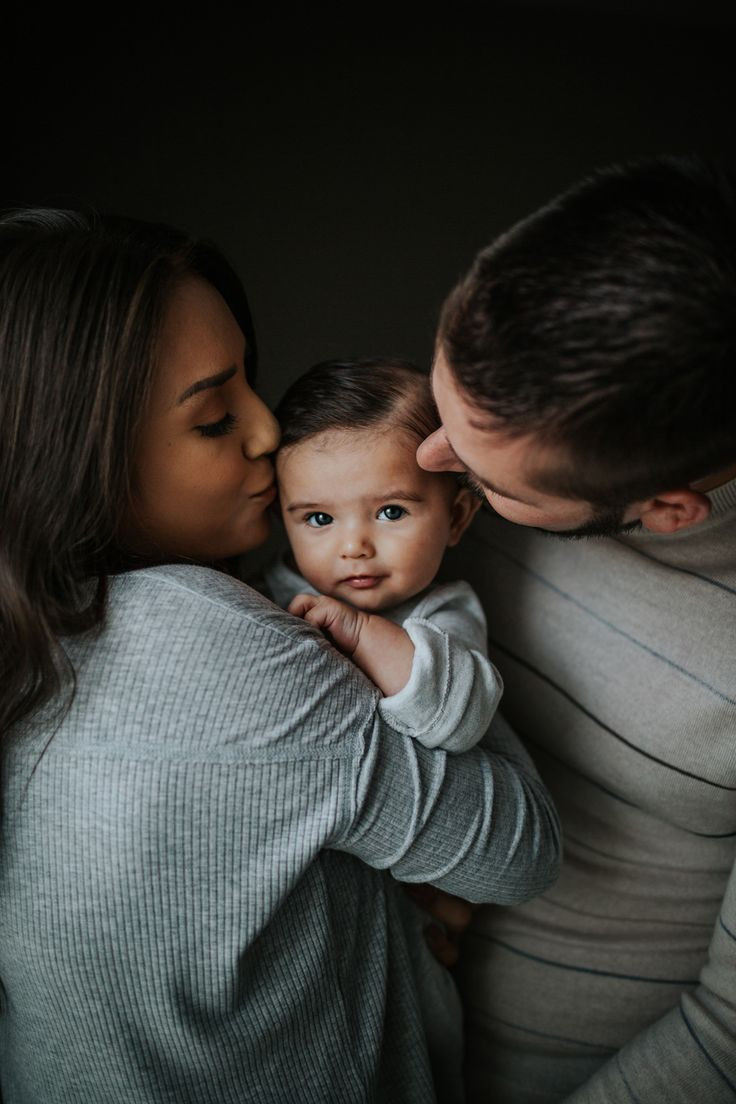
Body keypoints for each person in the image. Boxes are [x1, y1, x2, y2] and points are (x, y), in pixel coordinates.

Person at [0, 207, 561, 1104]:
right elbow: (518, 847)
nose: (272, 434)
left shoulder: (36, 631)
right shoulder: (198, 631)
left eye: (252, 385)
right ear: (76, 457)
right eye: (217, 418)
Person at [416, 154, 736, 1102]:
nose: (428, 460)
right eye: (444, 412)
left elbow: (729, 1037)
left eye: (490, 484)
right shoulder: (492, 416)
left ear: (666, 510)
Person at [265, 357, 506, 1102]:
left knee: (416, 1045)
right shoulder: (272, 592)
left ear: (458, 516)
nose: (354, 546)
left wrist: (360, 633)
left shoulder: (444, 618)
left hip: (412, 909)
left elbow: (461, 713)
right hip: (315, 895)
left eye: (392, 512)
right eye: (318, 518)